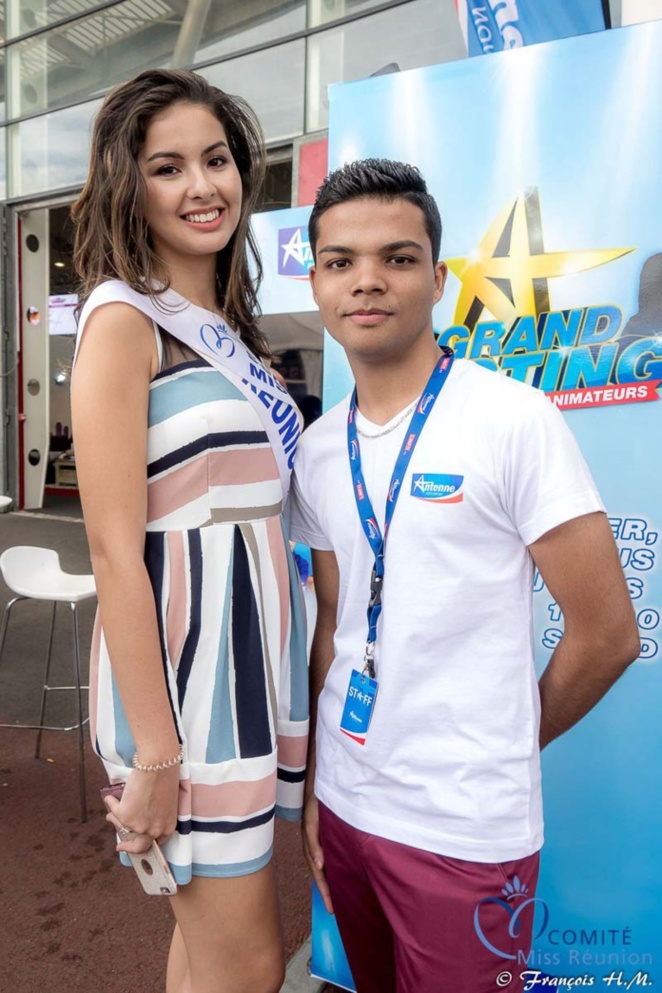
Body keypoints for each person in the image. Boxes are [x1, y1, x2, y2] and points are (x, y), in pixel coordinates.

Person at [288, 159, 640, 993]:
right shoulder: (316, 449)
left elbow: (609, 633)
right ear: (318, 282)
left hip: (464, 828)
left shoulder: (513, 420)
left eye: (397, 258)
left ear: (439, 279)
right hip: (345, 807)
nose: (367, 280)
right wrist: (313, 791)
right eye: (340, 261)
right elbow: (334, 621)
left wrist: (501, 746)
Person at [70, 68, 308, 993]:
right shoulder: (125, 320)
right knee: (245, 959)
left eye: (215, 160)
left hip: (248, 666)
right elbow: (111, 553)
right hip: (186, 679)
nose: (200, 185)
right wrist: (158, 754)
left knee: (209, 944)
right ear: (131, 185)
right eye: (167, 167)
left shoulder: (228, 330)